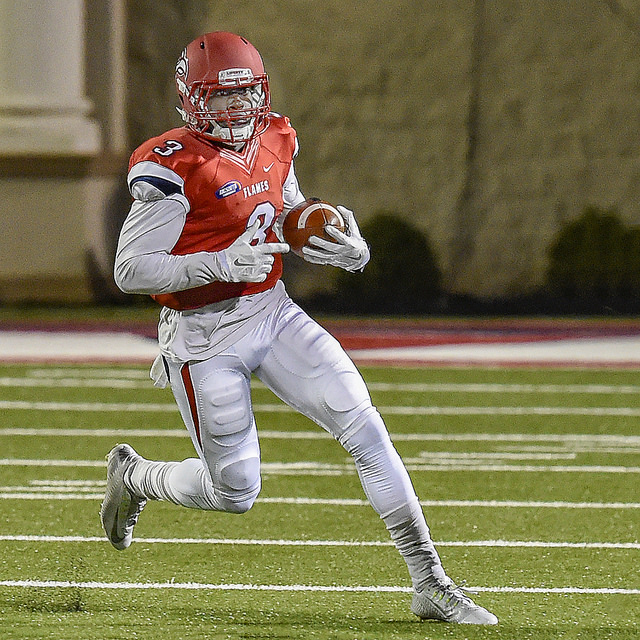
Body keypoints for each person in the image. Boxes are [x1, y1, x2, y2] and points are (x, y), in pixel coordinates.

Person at [100, 31, 498, 625]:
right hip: (203, 336)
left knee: (365, 427)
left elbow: (286, 210)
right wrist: (217, 263)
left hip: (272, 310)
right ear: (191, 99)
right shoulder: (173, 165)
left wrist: (338, 242)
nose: (238, 107)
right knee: (235, 492)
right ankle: (136, 476)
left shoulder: (276, 136)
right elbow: (130, 269)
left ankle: (431, 582)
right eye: (221, 96)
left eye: (245, 93)